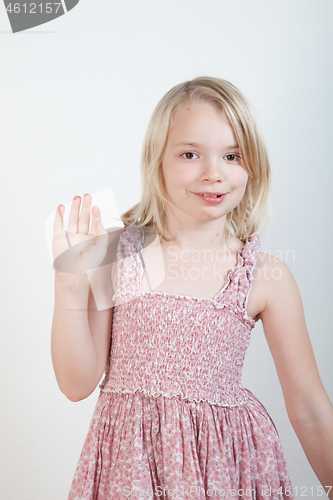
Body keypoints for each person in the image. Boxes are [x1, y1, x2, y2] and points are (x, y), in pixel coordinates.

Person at [51, 77, 333, 500]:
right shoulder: (118, 251)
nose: (213, 174)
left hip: (225, 470)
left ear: (251, 166)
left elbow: (309, 409)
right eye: (189, 154)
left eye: (232, 155)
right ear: (156, 161)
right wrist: (69, 285)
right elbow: (77, 384)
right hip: (130, 473)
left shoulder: (264, 276)